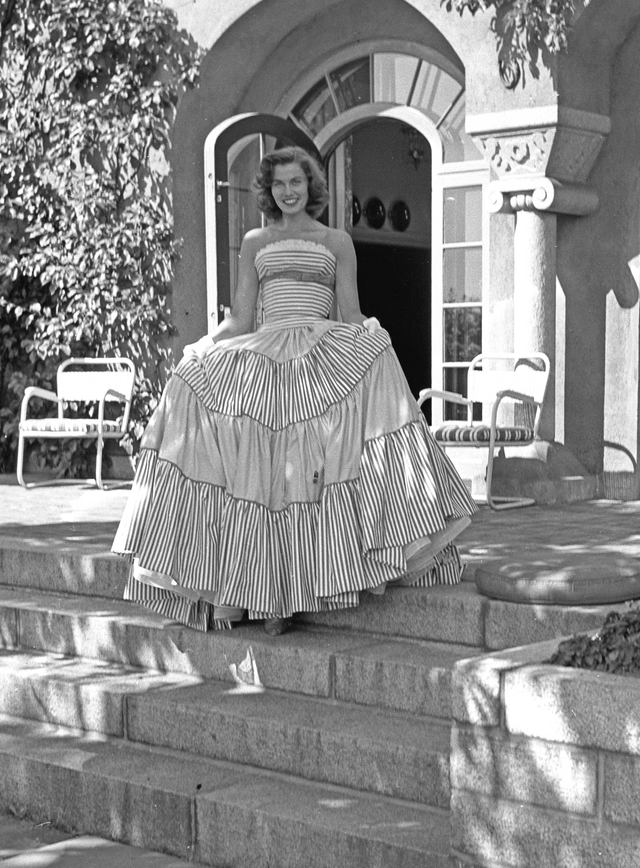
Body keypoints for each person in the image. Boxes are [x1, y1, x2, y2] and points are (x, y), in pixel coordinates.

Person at [112, 145, 474, 633]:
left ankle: (297, 589)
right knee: (259, 470)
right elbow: (241, 318)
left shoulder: (338, 240)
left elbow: (348, 311)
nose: (287, 192)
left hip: (320, 351)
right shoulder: (256, 241)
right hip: (263, 354)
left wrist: (371, 330)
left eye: (295, 183)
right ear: (269, 189)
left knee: (308, 472)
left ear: (311, 187)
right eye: (279, 184)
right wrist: (202, 345)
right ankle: (258, 595)